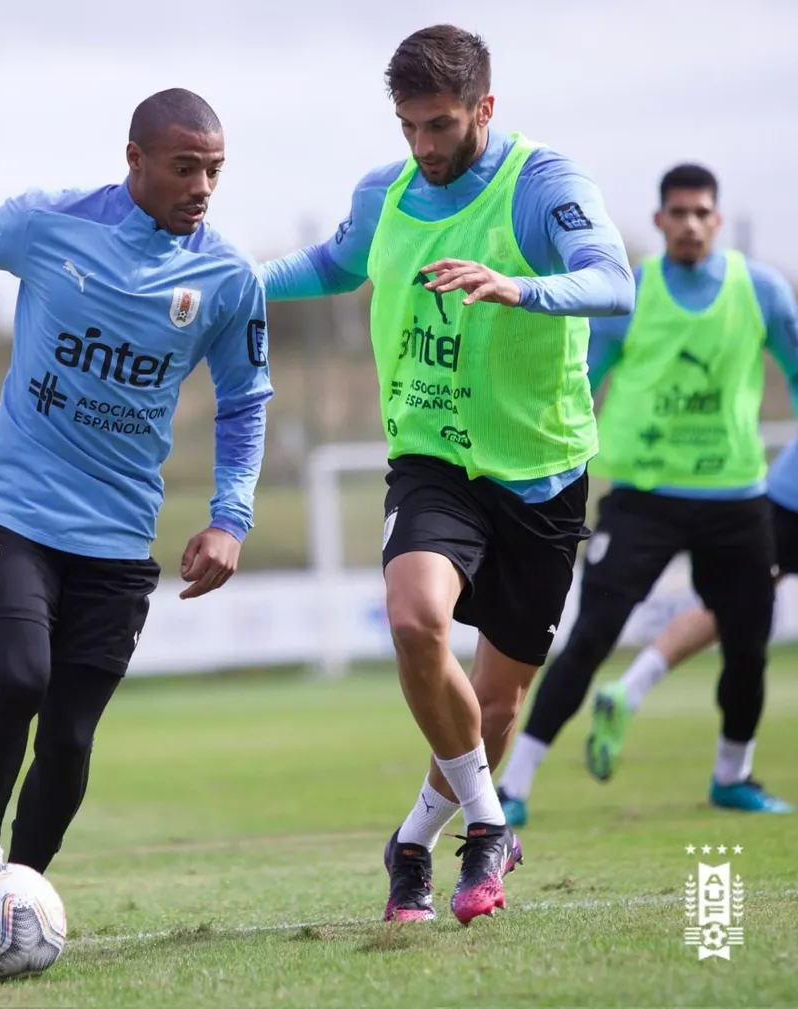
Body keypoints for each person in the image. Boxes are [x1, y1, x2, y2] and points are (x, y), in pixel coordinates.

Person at [0, 89, 274, 950]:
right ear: (134, 159)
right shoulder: (47, 222)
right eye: (185, 167)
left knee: (68, 736)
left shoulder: (228, 278)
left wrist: (231, 517)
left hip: (117, 533)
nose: (203, 185)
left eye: (214, 169)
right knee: (19, 677)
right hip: (14, 509)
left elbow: (245, 402)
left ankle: (18, 901)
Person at [260, 24, 634, 925]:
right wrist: (240, 280)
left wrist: (521, 286)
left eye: (440, 126)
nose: (423, 148)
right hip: (431, 456)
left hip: (542, 471)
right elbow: (333, 263)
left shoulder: (543, 186)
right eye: (409, 127)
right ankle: (489, 826)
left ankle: (414, 843)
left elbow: (613, 280)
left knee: (497, 702)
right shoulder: (385, 191)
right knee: (415, 618)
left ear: (485, 109)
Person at [497, 164, 798, 827]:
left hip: (736, 499)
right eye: (678, 213)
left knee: (749, 643)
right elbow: (576, 385)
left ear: (716, 221)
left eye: (701, 213)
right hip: (643, 499)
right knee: (592, 633)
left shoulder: (763, 292)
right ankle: (514, 786)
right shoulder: (629, 294)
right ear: (660, 221)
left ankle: (732, 774)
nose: (690, 224)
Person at [584, 430, 798, 813]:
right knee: (739, 609)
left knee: (731, 608)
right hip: (787, 498)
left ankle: (631, 688)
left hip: (780, 491)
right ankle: (729, 773)